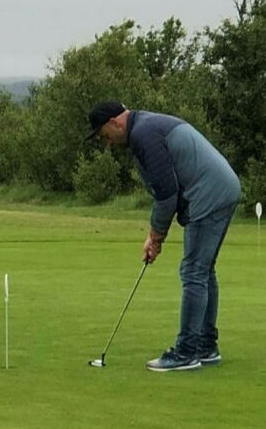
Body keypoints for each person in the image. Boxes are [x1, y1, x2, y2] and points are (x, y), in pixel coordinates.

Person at [85, 101, 241, 372]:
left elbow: (166, 193)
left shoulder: (144, 133)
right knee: (203, 271)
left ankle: (187, 352)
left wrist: (155, 237)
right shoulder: (145, 127)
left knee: (194, 271)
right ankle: (206, 347)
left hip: (209, 194)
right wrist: (156, 235)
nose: (107, 143)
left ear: (115, 122)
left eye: (104, 136)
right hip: (221, 188)